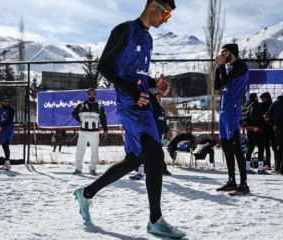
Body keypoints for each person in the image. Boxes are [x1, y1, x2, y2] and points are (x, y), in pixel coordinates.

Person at [73, 1, 186, 238]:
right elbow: (104, 65)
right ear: (153, 5)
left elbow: (137, 74)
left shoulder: (149, 39)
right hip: (129, 105)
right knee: (154, 154)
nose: (166, 19)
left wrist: (155, 84)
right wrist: (131, 91)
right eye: (165, 13)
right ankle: (155, 220)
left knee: (133, 160)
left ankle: (86, 194)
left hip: (142, 106)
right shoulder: (124, 29)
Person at [214, 43, 250, 196]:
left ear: (232, 53)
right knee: (226, 147)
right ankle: (231, 181)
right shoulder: (227, 68)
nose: (222, 54)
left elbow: (228, 82)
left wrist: (222, 67)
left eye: (225, 51)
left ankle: (244, 184)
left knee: (236, 147)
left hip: (233, 111)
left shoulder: (241, 66)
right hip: (223, 111)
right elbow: (218, 85)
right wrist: (218, 68)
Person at [129, 91, 171, 180]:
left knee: (157, 151)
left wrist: (166, 131)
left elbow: (163, 121)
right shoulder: (149, 108)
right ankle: (142, 169)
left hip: (159, 133)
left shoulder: (161, 109)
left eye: (160, 96)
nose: (158, 98)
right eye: (156, 96)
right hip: (150, 133)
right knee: (147, 151)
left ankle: (162, 168)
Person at [71, 88, 108, 176]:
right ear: (87, 95)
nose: (92, 96)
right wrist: (79, 120)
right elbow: (73, 112)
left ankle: (92, 169)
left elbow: (103, 119)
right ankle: (78, 168)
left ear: (95, 95)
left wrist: (105, 131)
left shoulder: (99, 107)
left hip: (94, 132)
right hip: (83, 132)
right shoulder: (81, 105)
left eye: (93, 94)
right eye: (90, 94)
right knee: (80, 150)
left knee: (94, 151)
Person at [241, 93, 267, 174]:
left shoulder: (246, 105)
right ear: (255, 97)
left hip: (249, 130)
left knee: (250, 149)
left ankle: (247, 168)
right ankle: (260, 169)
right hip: (256, 129)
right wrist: (256, 125)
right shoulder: (255, 104)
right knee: (261, 147)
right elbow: (253, 114)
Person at [259, 92, 277, 171]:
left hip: (272, 129)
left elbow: (276, 116)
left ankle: (277, 164)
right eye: (262, 99)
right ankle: (268, 164)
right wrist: (263, 119)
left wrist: (269, 119)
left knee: (275, 148)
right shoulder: (260, 106)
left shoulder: (273, 105)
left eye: (264, 99)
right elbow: (259, 116)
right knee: (266, 148)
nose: (263, 100)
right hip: (264, 129)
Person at [0, 96, 15, 170]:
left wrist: (1, 126)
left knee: (5, 145)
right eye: (6, 101)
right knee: (4, 145)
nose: (7, 103)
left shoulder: (11, 109)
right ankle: (7, 163)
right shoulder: (0, 110)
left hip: (8, 128)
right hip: (3, 129)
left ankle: (8, 163)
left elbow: (10, 119)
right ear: (2, 102)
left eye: (8, 102)